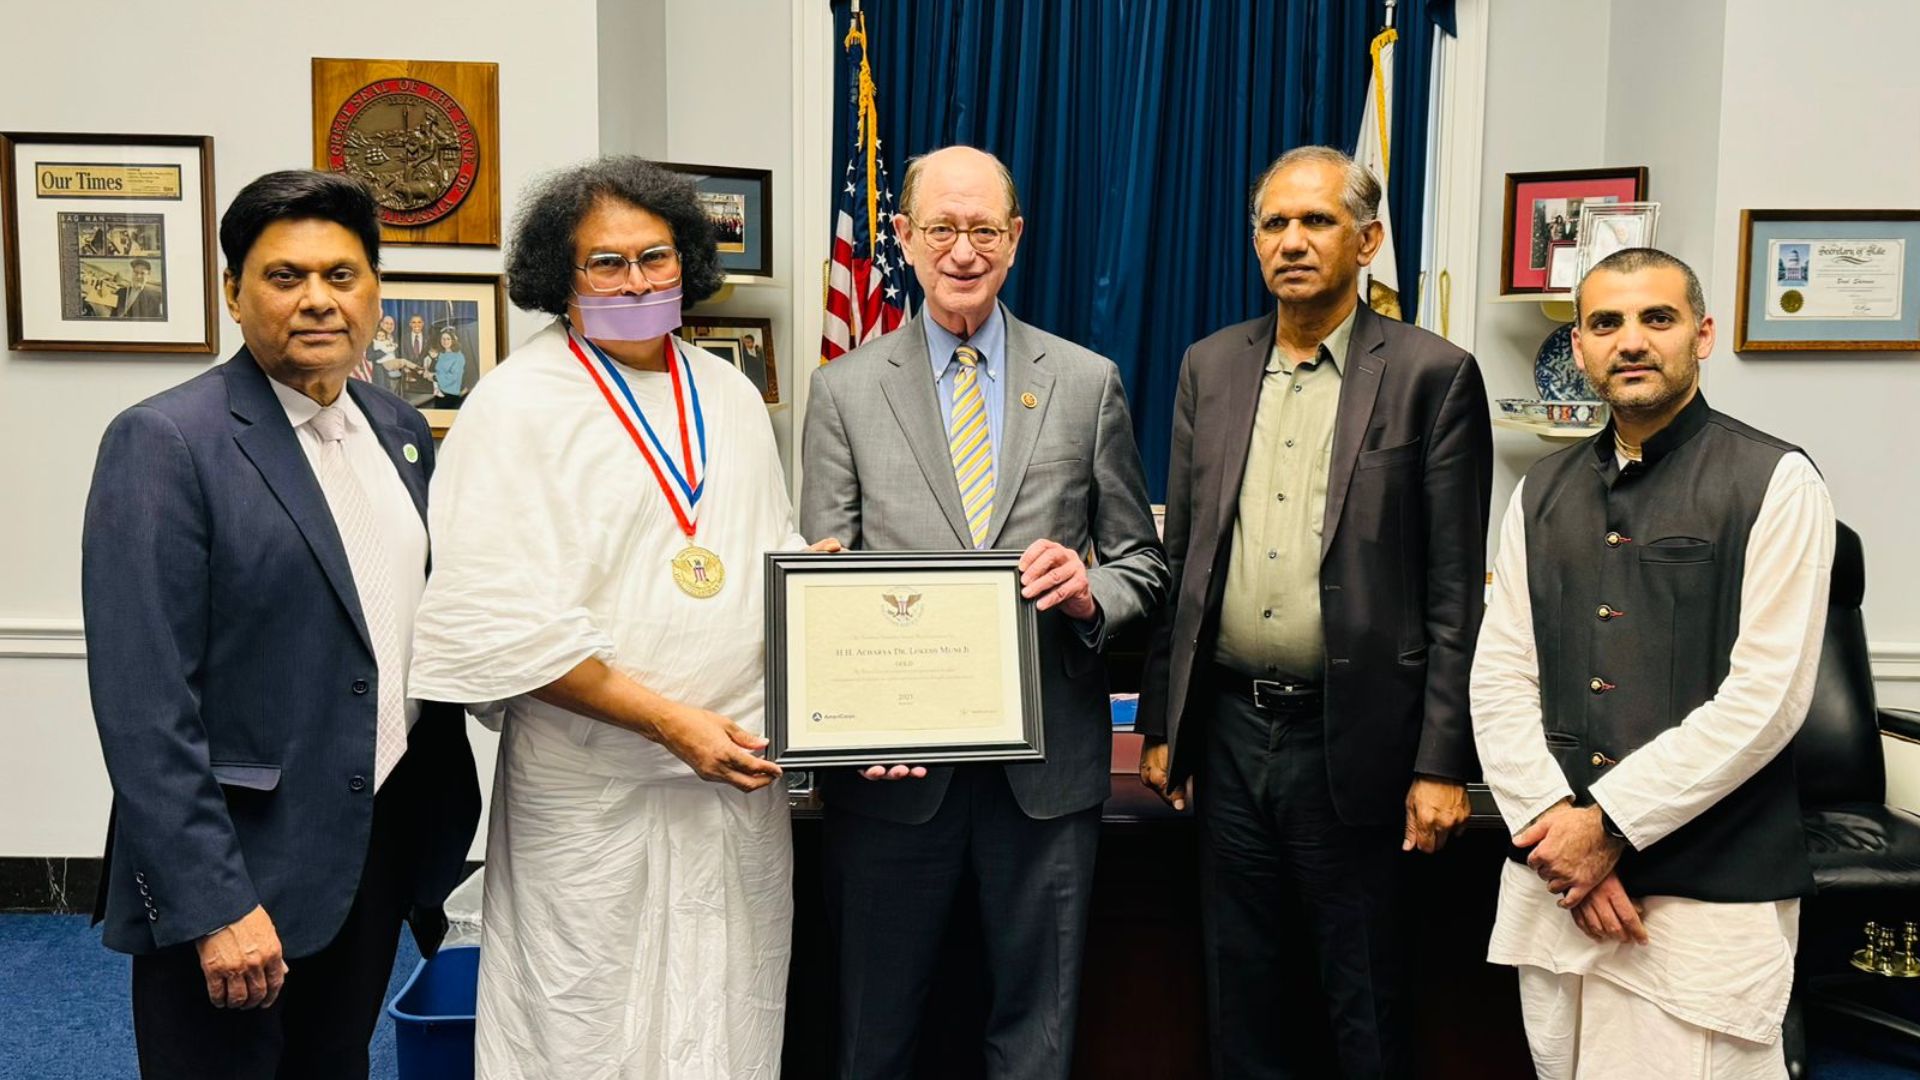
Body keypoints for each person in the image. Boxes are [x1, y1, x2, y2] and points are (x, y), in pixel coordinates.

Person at [409, 156, 831, 1079]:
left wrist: (823, 596)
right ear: (559, 278)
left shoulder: (727, 391)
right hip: (591, 789)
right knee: (583, 1021)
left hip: (732, 778)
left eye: (657, 257)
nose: (637, 281)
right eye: (607, 263)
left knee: (728, 1014)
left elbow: (758, 542)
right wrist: (669, 723)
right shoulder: (515, 404)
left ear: (688, 262)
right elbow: (497, 622)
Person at [80, 169, 480, 1080]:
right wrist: (213, 903)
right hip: (239, 865)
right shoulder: (166, 441)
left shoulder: (398, 427)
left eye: (341, 276)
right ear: (233, 291)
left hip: (377, 846)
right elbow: (145, 705)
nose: (317, 301)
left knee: (334, 1065)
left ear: (376, 289)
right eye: (284, 276)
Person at [800, 144, 1168, 1080]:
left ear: (1015, 239)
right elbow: (822, 576)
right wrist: (846, 722)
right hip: (890, 780)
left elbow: (1141, 567)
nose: (963, 251)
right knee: (873, 1034)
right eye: (941, 230)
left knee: (1035, 1037)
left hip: (1043, 782)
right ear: (904, 239)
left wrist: (1090, 593)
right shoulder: (844, 389)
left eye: (983, 231)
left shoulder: (1087, 383)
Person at [1136, 145, 1493, 1079]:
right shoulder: (1209, 368)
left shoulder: (1432, 375)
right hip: (1229, 733)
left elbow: (1458, 588)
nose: (1292, 241)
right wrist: (1165, 722)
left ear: (1367, 239)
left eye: (1318, 221)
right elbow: (1185, 566)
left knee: (1362, 996)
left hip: (1358, 740)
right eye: (1274, 224)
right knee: (1238, 988)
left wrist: (1442, 760)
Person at [1471, 247, 1835, 1079]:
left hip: (1705, 899)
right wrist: (1559, 838)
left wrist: (1611, 828)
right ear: (1583, 347)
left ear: (1701, 335)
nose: (1630, 341)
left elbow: (1767, 699)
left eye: (1657, 319)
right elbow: (1500, 677)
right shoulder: (1541, 491)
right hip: (1560, 887)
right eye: (1605, 323)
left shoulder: (1776, 480)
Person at [429, 327, 466, 408]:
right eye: (443, 339)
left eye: (448, 339)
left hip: (451, 394)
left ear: (453, 340)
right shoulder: (441, 354)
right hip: (439, 393)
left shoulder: (458, 356)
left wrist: (435, 377)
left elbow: (454, 376)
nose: (445, 341)